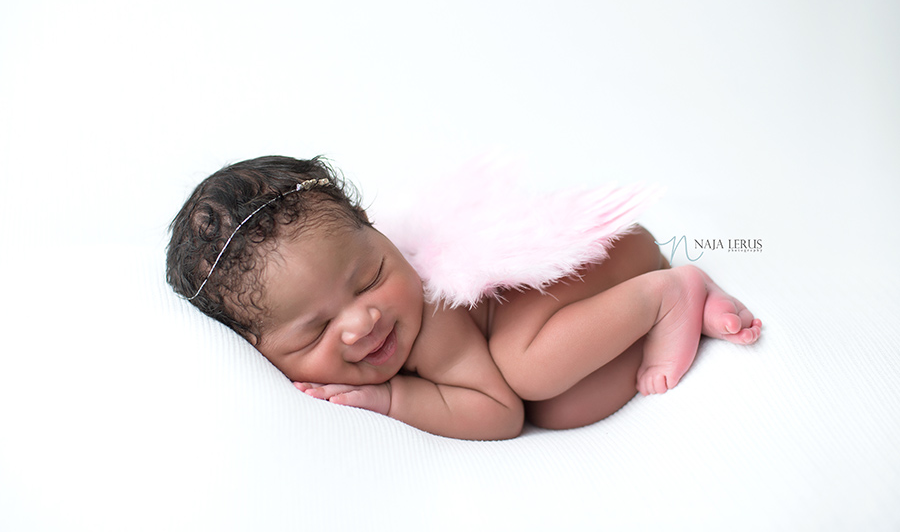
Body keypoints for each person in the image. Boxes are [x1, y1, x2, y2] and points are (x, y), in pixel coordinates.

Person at [167, 155, 761, 440]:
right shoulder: (360, 311)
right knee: (562, 408)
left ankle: (668, 293)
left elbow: (498, 416)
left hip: (600, 257)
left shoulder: (429, 317)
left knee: (524, 372)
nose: (363, 321)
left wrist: (394, 397)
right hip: (586, 292)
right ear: (256, 348)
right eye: (316, 330)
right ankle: (675, 308)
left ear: (377, 232)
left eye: (371, 277)